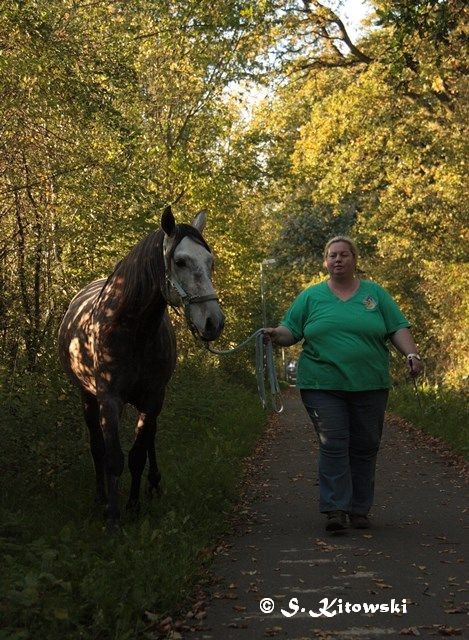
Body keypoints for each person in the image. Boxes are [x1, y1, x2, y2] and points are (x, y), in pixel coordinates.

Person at [264, 236, 422, 533]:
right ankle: (335, 508)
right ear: (325, 262)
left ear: (354, 259)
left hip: (370, 383)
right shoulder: (311, 297)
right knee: (333, 443)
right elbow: (291, 331)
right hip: (322, 384)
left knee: (365, 446)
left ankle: (359, 510)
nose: (338, 260)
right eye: (332, 255)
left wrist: (411, 354)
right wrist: (275, 334)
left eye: (344, 255)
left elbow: (397, 327)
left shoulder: (375, 294)